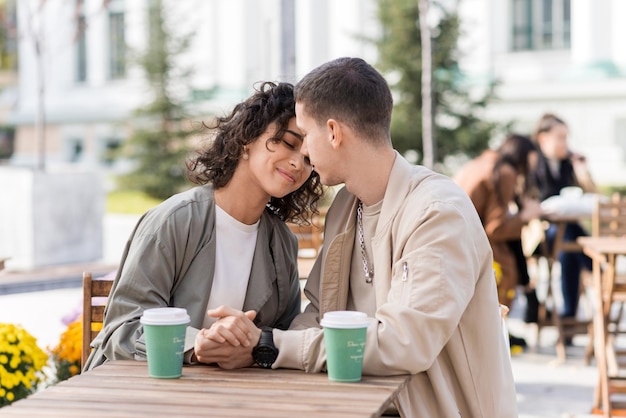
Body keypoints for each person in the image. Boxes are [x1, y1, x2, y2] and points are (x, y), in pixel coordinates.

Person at [194, 58, 517, 417]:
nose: (303, 152)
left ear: (333, 132)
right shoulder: (347, 206)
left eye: (306, 134)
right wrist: (244, 339)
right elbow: (319, 313)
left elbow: (405, 344)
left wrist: (269, 345)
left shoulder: (437, 211)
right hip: (354, 405)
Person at [83, 81, 324, 370]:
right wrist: (196, 346)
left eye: (309, 158)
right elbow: (121, 329)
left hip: (233, 398)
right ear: (248, 138)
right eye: (288, 142)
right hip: (143, 394)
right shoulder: (175, 221)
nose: (299, 163)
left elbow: (282, 339)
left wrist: (255, 346)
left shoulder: (282, 243)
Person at [454, 134, 543, 341]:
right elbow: (495, 228)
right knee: (509, 264)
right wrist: (525, 216)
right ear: (524, 155)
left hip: (456, 237)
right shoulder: (504, 171)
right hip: (473, 244)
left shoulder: (481, 162)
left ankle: (495, 331)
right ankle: (496, 331)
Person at [531, 113, 595, 319]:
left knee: (571, 239)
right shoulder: (533, 164)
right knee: (570, 239)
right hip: (541, 232)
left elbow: (591, 195)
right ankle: (598, 271)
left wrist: (583, 171)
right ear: (544, 138)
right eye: (560, 137)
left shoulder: (568, 165)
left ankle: (569, 314)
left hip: (568, 230)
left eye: (566, 137)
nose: (565, 143)